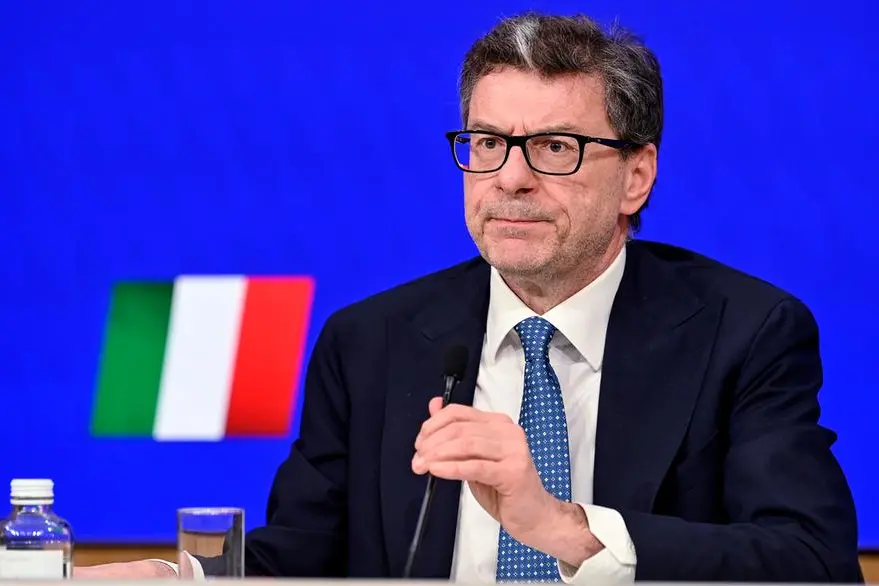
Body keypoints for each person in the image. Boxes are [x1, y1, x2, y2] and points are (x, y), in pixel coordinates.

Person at [75, 11, 862, 583]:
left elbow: (810, 562)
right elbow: (307, 557)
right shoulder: (371, 340)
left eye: (554, 147)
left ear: (636, 176)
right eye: (487, 143)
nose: (509, 178)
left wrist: (561, 528)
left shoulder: (743, 332)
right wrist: (181, 577)